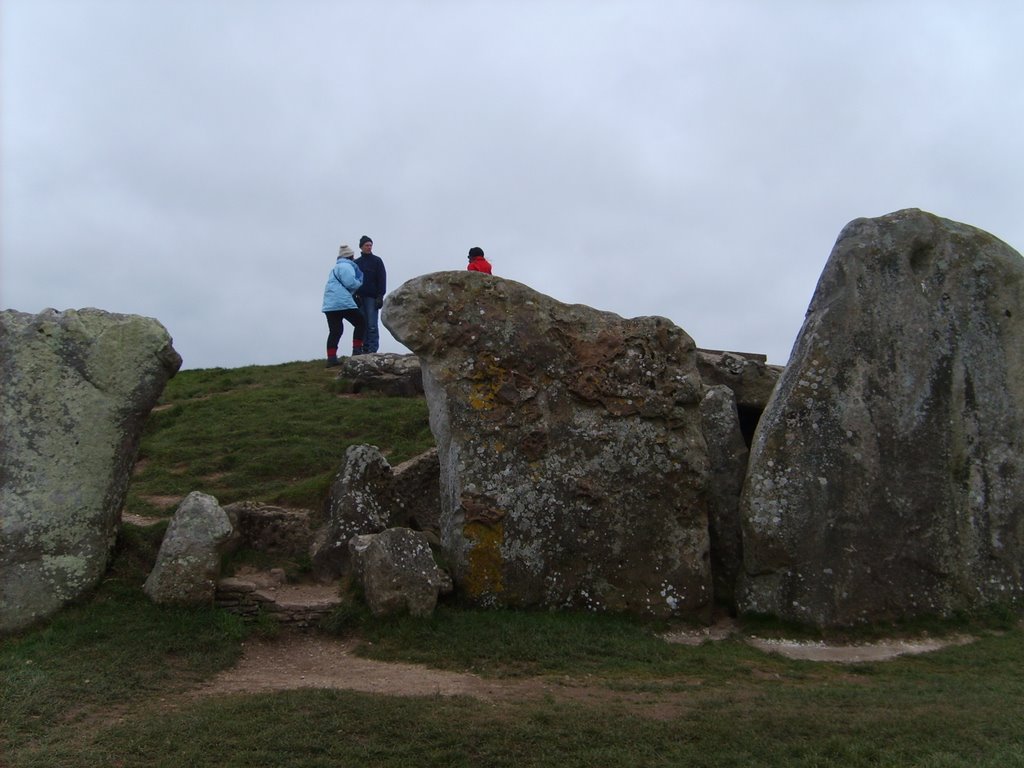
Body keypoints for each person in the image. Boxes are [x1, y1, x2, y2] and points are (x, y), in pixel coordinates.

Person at [321, 244, 366, 366]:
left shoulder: (335, 268)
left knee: (335, 330)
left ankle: (331, 358)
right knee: (360, 322)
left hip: (329, 305)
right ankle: (357, 351)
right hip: (342, 302)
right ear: (350, 256)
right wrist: (359, 282)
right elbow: (350, 283)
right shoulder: (347, 266)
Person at [354, 235, 386, 354]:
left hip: (372, 298)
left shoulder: (377, 261)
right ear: (361, 247)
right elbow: (353, 280)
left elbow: (382, 279)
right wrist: (354, 295)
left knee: (372, 325)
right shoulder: (356, 263)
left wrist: (380, 296)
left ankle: (373, 349)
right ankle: (364, 348)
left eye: (370, 245)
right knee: (363, 324)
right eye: (367, 245)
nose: (369, 247)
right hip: (359, 297)